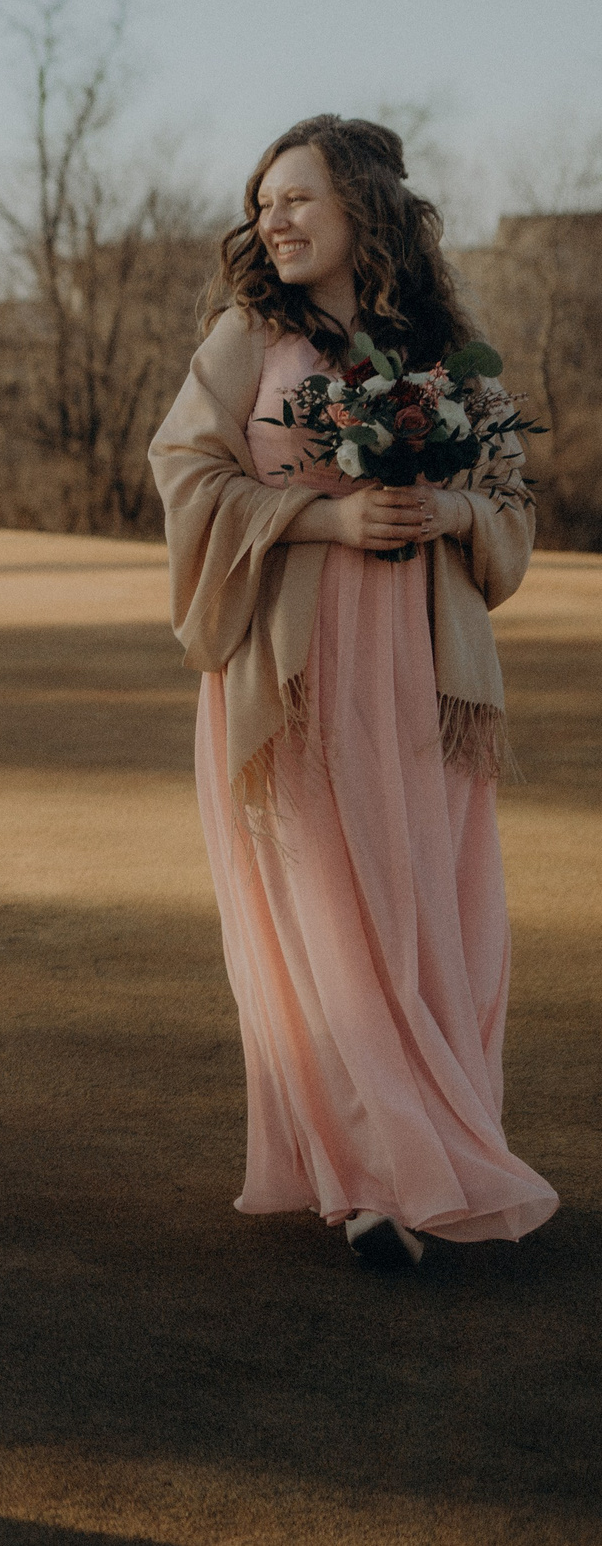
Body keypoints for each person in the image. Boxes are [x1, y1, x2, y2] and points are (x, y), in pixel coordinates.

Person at [151, 114, 556, 1267]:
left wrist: (453, 511)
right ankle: (373, 1179)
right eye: (263, 201)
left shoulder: (441, 346)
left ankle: (440, 1142)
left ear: (363, 211)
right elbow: (184, 470)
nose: (271, 220)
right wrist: (323, 515)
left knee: (430, 911)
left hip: (424, 673)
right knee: (328, 915)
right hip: (297, 666)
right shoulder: (249, 336)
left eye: (297, 200)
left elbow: (511, 502)